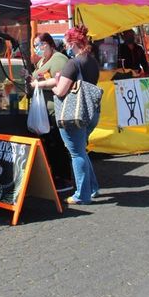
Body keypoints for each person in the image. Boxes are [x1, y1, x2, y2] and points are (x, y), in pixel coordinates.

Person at [46, 25, 100, 205]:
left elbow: (61, 91)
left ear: (72, 43)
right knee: (81, 151)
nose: (65, 46)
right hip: (91, 112)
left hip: (74, 114)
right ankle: (91, 188)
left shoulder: (73, 63)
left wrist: (54, 84)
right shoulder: (91, 60)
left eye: (67, 42)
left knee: (76, 153)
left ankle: (82, 195)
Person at [27, 33, 72, 190]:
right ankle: (56, 175)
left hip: (55, 109)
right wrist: (28, 78)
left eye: (37, 45)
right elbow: (37, 79)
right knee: (50, 144)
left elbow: (60, 79)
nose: (36, 49)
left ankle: (64, 178)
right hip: (43, 109)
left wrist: (40, 84)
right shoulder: (42, 61)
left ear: (47, 44)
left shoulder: (58, 58)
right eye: (34, 46)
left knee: (57, 144)